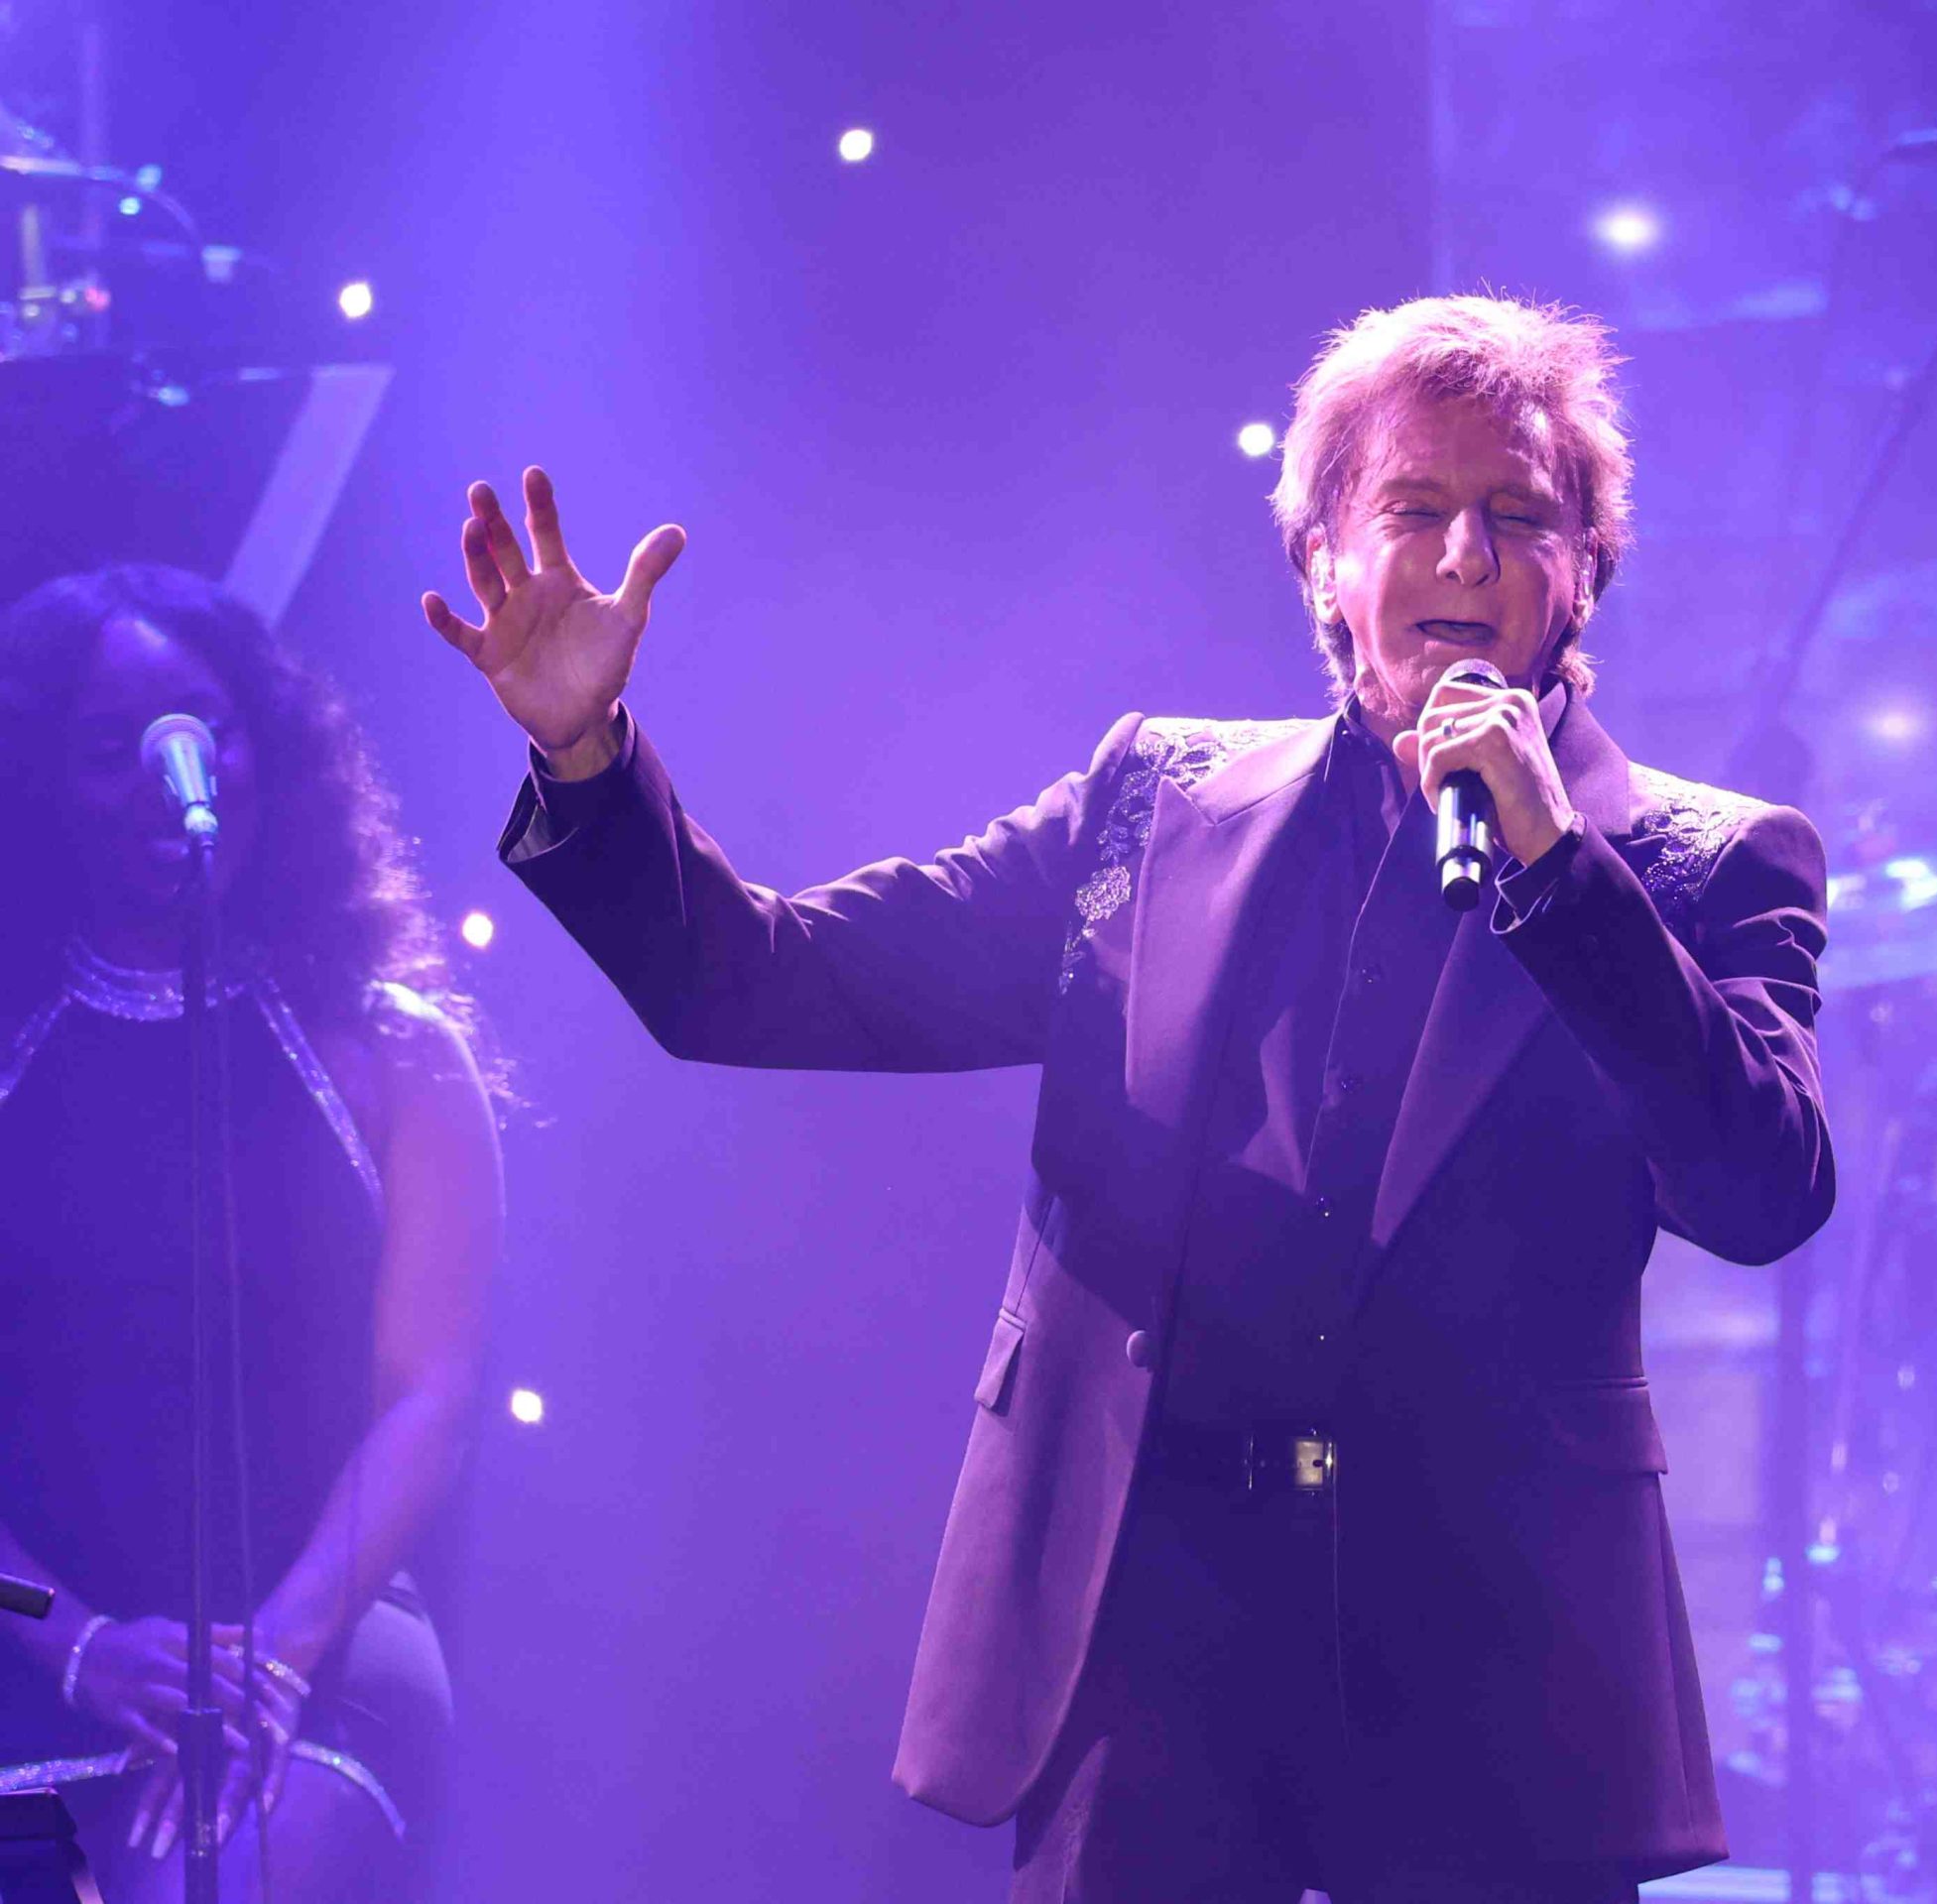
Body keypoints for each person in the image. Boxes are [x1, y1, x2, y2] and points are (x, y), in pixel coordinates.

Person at [425, 294, 1833, 1901]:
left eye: (1519, 517)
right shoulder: (1149, 807)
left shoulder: (1704, 863)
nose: (1464, 557)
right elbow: (752, 980)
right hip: (1150, 1649)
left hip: (1493, 1675)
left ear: (1586, 569)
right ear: (1320, 559)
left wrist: (1560, 881)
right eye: (1415, 510)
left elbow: (1762, 1188)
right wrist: (590, 761)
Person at [0, 565, 501, 1902]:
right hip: (34, 1642)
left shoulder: (396, 1052)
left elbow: (427, 1402)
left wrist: (269, 1658)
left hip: (315, 1648)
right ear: (40, 787)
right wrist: (76, 1643)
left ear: (264, 748)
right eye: (110, 752)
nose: (172, 775)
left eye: (203, 728)